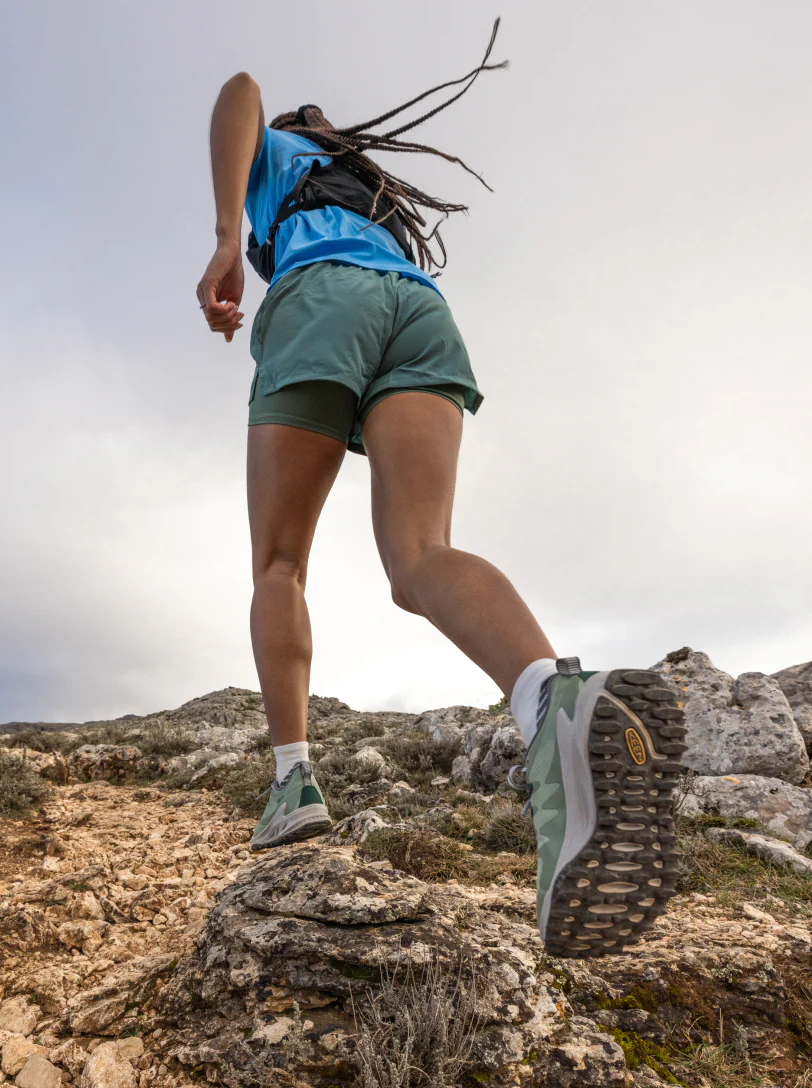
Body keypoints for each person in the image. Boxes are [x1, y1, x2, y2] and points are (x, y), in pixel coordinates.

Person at [195, 21, 687, 957]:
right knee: (420, 556)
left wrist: (228, 236)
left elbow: (241, 86)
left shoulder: (279, 153)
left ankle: (292, 782)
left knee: (279, 561)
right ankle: (552, 702)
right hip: (420, 313)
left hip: (322, 298)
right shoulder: (372, 192)